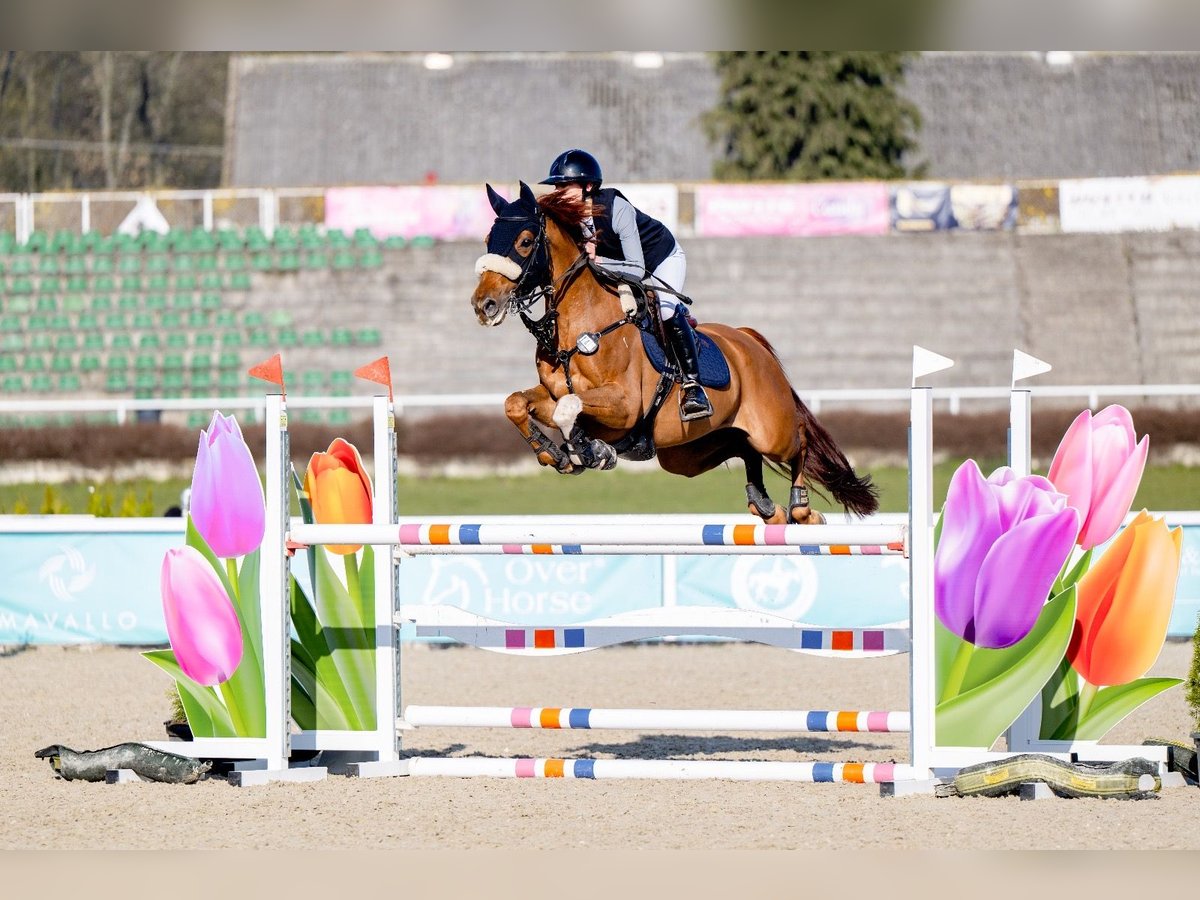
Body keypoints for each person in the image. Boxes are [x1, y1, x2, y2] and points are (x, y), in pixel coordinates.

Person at [540, 149, 712, 420]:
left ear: (588, 186)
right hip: (619, 268)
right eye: (556, 187)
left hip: (660, 260)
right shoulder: (570, 220)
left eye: (565, 186)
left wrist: (597, 261)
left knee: (666, 310)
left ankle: (693, 387)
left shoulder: (616, 208)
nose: (559, 192)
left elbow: (638, 269)